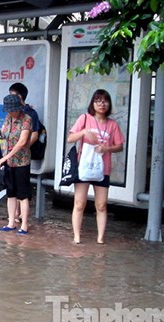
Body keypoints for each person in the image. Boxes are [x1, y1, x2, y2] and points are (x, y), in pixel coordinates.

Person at [67, 89, 124, 244]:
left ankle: (100, 238)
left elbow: (119, 146)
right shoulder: (84, 119)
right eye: (98, 101)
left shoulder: (112, 125)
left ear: (109, 104)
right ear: (92, 103)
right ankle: (77, 236)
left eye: (105, 101)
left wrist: (107, 149)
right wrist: (84, 132)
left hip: (102, 169)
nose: (102, 104)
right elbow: (70, 138)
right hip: (83, 167)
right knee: (79, 203)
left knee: (101, 205)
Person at [0, 94, 32, 235]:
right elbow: (4, 133)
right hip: (9, 162)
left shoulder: (26, 119)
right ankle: (11, 222)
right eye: (9, 110)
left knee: (22, 194)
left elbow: (22, 142)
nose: (11, 113)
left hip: (22, 161)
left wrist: (7, 156)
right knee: (11, 193)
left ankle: (24, 225)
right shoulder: (8, 118)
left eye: (13, 110)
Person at [8, 83, 40, 224]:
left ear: (20, 96)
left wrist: (24, 146)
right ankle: (13, 216)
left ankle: (22, 218)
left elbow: (34, 134)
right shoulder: (10, 115)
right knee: (12, 189)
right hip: (11, 158)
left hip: (22, 158)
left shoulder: (30, 114)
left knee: (22, 189)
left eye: (13, 95)